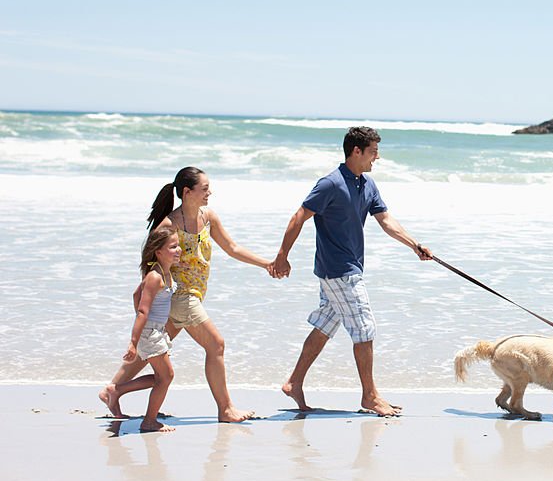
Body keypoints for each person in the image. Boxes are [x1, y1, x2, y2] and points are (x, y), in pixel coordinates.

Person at [272, 126, 432, 416]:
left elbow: (385, 220)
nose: (377, 158)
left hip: (347, 268)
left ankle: (294, 382)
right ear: (356, 151)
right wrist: (282, 256)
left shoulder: (366, 184)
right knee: (364, 328)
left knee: (324, 326)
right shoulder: (331, 183)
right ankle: (369, 396)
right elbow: (300, 216)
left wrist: (414, 245)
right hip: (338, 270)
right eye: (373, 151)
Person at [99, 167, 276, 422]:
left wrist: (266, 264)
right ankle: (225, 409)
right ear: (187, 192)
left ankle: (112, 390)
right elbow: (149, 264)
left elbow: (232, 247)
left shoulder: (209, 217)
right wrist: (145, 304)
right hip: (180, 297)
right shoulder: (169, 225)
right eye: (205, 189)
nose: (210, 193)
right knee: (216, 344)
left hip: (188, 297)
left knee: (152, 348)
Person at [114, 226, 181, 433]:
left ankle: (116, 391)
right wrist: (134, 341)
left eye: (178, 245)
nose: (178, 250)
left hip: (157, 331)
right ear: (158, 252)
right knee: (166, 376)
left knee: (164, 377)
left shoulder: (165, 272)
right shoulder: (155, 277)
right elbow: (142, 310)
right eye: (172, 247)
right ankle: (149, 421)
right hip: (150, 332)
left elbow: (136, 293)